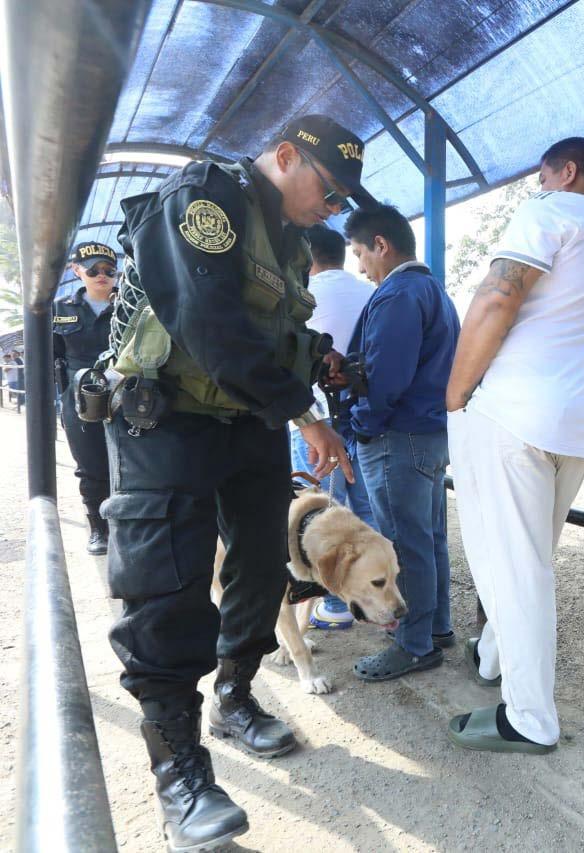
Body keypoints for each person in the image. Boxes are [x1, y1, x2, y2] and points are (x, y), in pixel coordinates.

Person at [103, 114, 371, 852]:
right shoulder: (208, 198)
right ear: (285, 156)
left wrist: (318, 360)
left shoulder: (288, 239)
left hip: (247, 421)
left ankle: (235, 696)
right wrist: (305, 412)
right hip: (170, 419)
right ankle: (180, 771)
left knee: (260, 564)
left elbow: (275, 334)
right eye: (329, 190)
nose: (332, 210)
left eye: (343, 201)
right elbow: (210, 324)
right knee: (169, 587)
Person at [444, 138, 584, 754]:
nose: (539, 188)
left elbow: (498, 295)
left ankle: (529, 718)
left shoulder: (550, 212)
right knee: (528, 560)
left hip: (513, 416)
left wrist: (455, 393)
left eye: (543, 177)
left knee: (511, 566)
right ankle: (492, 656)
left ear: (567, 172)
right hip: (577, 428)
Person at [344, 204, 460, 681]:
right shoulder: (433, 290)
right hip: (428, 434)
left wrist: (361, 425)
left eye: (359, 253)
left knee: (403, 547)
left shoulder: (398, 294)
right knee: (427, 539)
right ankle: (435, 628)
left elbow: (385, 379)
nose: (360, 267)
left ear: (381, 245)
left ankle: (413, 645)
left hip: (397, 435)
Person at [289, 223, 376, 629]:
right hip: (365, 420)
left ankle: (335, 604)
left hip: (314, 422)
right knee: (365, 514)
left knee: (320, 514)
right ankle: (370, 593)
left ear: (305, 258)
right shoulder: (373, 293)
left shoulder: (302, 297)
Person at [53, 242, 118, 554]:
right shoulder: (60, 309)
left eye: (108, 269)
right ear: (77, 270)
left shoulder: (130, 305)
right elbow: (49, 358)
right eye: (93, 269)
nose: (101, 275)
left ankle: (127, 527)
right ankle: (99, 529)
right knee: (90, 466)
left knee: (133, 464)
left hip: (124, 394)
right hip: (79, 399)